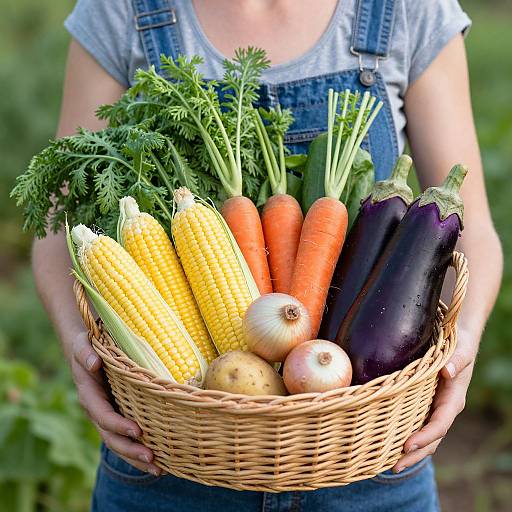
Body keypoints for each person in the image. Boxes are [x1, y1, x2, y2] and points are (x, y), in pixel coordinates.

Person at [33, 1, 503, 510]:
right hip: (169, 456)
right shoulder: (123, 9)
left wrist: (462, 352)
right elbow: (58, 228)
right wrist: (78, 346)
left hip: (370, 459)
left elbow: (470, 230)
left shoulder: (407, 9)